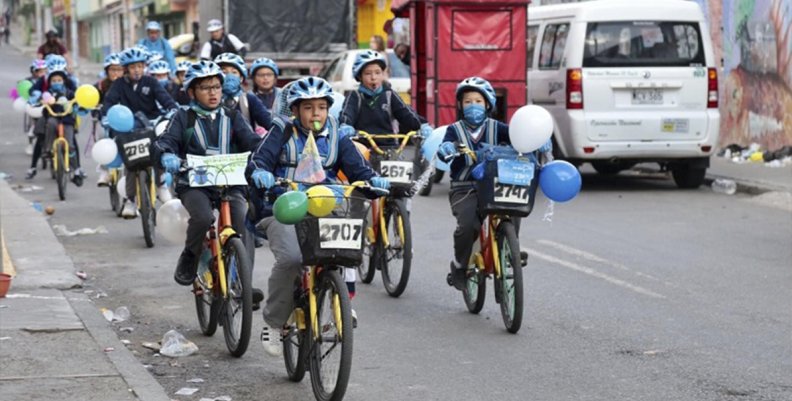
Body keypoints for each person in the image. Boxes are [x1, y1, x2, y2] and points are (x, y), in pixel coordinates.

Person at [247, 76, 390, 356]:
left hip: (325, 205)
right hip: (282, 206)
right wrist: (261, 173)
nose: (316, 114)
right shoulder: (281, 129)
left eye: (322, 107)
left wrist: (375, 181)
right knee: (291, 259)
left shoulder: (337, 132)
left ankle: (340, 300)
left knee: (344, 244)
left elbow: (358, 169)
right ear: (296, 110)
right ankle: (275, 323)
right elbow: (259, 161)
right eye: (309, 108)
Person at [153, 61, 264, 309]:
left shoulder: (233, 116)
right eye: (205, 88)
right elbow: (164, 141)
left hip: (230, 182)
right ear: (192, 92)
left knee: (242, 220)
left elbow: (253, 142)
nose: (213, 93)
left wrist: (264, 158)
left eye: (216, 87)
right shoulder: (182, 117)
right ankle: (190, 256)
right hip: (195, 184)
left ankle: (241, 282)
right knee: (202, 218)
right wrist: (167, 155)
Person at [436, 76, 546, 290]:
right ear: (460, 105)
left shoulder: (499, 128)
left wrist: (539, 140)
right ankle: (460, 264)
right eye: (468, 101)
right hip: (465, 187)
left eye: (478, 101)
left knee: (514, 207)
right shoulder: (454, 130)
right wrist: (447, 149)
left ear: (487, 104)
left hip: (496, 184)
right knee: (467, 226)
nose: (473, 106)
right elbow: (445, 146)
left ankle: (508, 249)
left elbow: (520, 138)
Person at [103, 47, 178, 218]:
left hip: (150, 125)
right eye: (132, 67)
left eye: (140, 66)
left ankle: (161, 186)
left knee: (160, 150)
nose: (137, 70)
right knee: (131, 164)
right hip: (129, 129)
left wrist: (173, 109)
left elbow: (165, 99)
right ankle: (130, 200)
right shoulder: (119, 84)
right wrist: (105, 116)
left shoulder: (151, 82)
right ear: (126, 69)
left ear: (144, 67)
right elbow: (109, 102)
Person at [339, 50, 431, 145]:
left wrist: (422, 125)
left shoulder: (389, 94)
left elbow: (406, 113)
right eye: (368, 73)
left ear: (383, 74)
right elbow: (347, 115)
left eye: (378, 73)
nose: (373, 77)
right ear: (359, 76)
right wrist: (345, 126)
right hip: (362, 148)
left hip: (390, 149)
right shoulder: (355, 96)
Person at [214, 52, 272, 132]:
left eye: (234, 72)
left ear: (241, 78)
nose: (229, 76)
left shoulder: (249, 99)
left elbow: (270, 125)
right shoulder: (210, 99)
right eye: (224, 72)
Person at [94, 53, 124, 186]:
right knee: (102, 136)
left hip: (125, 122)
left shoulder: (127, 85)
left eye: (119, 69)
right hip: (106, 121)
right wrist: (95, 110)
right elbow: (92, 101)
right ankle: (104, 171)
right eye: (113, 69)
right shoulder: (100, 86)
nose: (116, 73)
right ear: (107, 71)